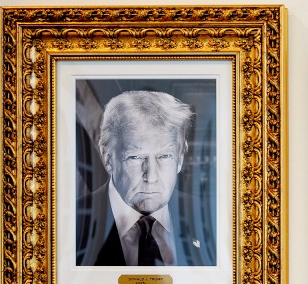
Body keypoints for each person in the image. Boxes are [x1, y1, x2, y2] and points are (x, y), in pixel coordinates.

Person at [76, 90, 215, 266]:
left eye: (164, 156)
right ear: (108, 158)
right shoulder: (68, 225)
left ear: (180, 158)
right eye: (135, 157)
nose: (151, 176)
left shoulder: (215, 220)